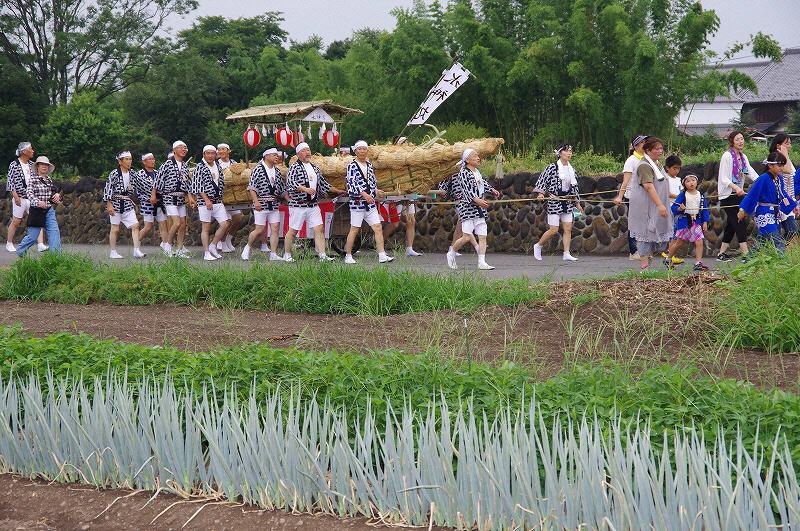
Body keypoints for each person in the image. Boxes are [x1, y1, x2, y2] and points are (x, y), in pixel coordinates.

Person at [284, 142, 345, 262]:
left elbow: (323, 184)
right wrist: (305, 189)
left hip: (313, 205)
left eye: (308, 150)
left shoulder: (315, 168)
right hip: (298, 205)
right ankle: (287, 255)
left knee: (319, 228)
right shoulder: (294, 167)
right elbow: (291, 183)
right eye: (304, 150)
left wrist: (337, 190)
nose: (307, 152)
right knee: (293, 231)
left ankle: (322, 255)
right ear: (298, 154)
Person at [446, 148, 500, 270]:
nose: (478, 158)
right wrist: (478, 201)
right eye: (475, 156)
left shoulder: (477, 171)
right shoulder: (463, 173)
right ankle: (451, 253)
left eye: (478, 156)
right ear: (467, 160)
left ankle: (482, 262)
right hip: (468, 209)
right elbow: (467, 191)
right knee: (465, 237)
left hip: (479, 209)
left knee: (482, 235)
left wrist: (492, 190)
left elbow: (483, 184)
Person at [343, 141, 394, 264]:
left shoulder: (369, 165)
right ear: (355, 151)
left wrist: (376, 190)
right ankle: (348, 255)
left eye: (364, 149)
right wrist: (364, 194)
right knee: (354, 229)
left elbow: (372, 181)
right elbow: (352, 183)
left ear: (367, 151)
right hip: (358, 203)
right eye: (360, 149)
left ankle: (382, 254)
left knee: (377, 227)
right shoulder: (352, 165)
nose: (362, 151)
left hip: (370, 203)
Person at [532, 144, 584, 262]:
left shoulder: (572, 169)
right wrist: (540, 193)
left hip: (568, 201)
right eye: (566, 151)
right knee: (554, 229)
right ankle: (538, 245)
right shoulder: (552, 167)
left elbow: (575, 188)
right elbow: (542, 180)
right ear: (560, 153)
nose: (569, 153)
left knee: (568, 228)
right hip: (554, 200)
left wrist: (577, 203)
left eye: (570, 151)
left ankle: (566, 253)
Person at [628, 136, 673, 270]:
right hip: (646, 207)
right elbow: (648, 186)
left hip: (655, 206)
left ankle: (649, 265)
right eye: (656, 149)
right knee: (644, 235)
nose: (660, 151)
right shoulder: (644, 165)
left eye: (661, 148)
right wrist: (660, 205)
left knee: (653, 235)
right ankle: (644, 267)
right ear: (647, 150)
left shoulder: (656, 164)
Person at [738, 151, 797, 252]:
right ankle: (781, 265)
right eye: (779, 165)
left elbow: (783, 195)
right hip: (764, 213)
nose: (781, 168)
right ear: (770, 165)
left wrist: (793, 206)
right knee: (778, 242)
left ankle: (749, 260)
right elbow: (753, 194)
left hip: (775, 213)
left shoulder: (779, 178)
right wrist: (742, 210)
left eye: (783, 165)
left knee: (761, 243)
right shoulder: (763, 178)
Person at [717, 130, 758, 262]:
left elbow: (751, 173)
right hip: (727, 195)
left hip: (738, 194)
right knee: (739, 222)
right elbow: (723, 178)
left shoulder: (743, 157)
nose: (741, 141)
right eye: (737, 139)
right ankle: (746, 254)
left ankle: (721, 254)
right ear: (732, 142)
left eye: (742, 139)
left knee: (731, 224)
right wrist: (736, 188)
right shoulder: (727, 156)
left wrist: (761, 182)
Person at [241, 148, 286, 261]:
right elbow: (252, 187)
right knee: (259, 229)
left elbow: (281, 189)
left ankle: (274, 254)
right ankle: (247, 247)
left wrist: (288, 198)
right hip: (261, 203)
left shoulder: (277, 171)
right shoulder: (258, 169)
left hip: (274, 204)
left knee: (275, 228)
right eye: (274, 155)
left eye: (277, 155)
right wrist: (256, 201)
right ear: (266, 156)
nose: (277, 157)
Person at [16, 156, 61, 256]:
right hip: (36, 212)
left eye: (46, 165)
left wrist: (57, 195)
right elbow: (29, 193)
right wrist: (38, 202)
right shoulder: (33, 179)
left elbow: (52, 193)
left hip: (49, 211)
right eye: (42, 164)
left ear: (48, 168)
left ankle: (56, 258)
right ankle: (20, 251)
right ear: (37, 167)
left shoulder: (49, 180)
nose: (44, 167)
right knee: (32, 237)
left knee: (54, 233)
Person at [103, 151, 145, 259]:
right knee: (115, 229)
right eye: (126, 159)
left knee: (135, 226)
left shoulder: (133, 174)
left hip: (127, 203)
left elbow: (142, 185)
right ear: (120, 161)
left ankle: (136, 250)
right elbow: (108, 188)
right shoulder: (114, 173)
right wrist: (109, 204)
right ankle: (113, 252)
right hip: (115, 203)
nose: (129, 161)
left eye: (130, 159)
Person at [6, 142, 46, 253]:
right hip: (20, 197)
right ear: (24, 151)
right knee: (16, 221)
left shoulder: (32, 164)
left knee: (38, 219)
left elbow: (38, 179)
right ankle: (9, 243)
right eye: (31, 149)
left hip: (32, 197)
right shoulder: (14, 164)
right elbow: (11, 181)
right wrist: (15, 196)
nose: (33, 151)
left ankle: (41, 244)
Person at [192, 145, 230, 261]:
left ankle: (213, 245)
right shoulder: (199, 167)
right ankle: (206, 253)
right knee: (206, 228)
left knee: (225, 224)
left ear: (215, 154)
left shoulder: (217, 165)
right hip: (205, 202)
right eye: (207, 153)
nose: (210, 155)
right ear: (204, 154)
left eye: (212, 153)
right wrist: (206, 200)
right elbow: (197, 185)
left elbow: (221, 181)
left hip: (218, 200)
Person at [154, 140, 192, 257]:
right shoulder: (167, 164)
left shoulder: (185, 165)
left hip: (180, 197)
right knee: (176, 223)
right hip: (169, 196)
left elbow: (188, 184)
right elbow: (158, 180)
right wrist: (153, 194)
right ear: (174, 150)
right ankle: (168, 245)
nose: (184, 149)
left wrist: (190, 196)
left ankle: (180, 250)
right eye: (181, 147)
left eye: (185, 147)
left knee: (182, 225)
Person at [665, 174, 710, 271]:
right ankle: (668, 259)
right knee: (679, 242)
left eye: (693, 180)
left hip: (696, 222)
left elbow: (704, 209)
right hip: (685, 221)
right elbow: (674, 208)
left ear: (697, 182)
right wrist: (679, 208)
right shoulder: (682, 195)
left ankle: (698, 263)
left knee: (699, 241)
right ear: (684, 184)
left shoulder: (701, 195)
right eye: (688, 181)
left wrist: (705, 222)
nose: (691, 183)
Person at [614, 134, 647, 260]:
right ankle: (633, 252)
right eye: (643, 143)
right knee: (635, 224)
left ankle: (642, 250)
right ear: (636, 146)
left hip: (645, 196)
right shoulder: (631, 160)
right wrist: (620, 196)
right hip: (633, 197)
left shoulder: (646, 159)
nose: (645, 144)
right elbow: (626, 181)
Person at [436, 173, 478, 257]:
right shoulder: (452, 171)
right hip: (460, 200)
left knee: (462, 226)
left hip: (467, 199)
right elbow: (443, 183)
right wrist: (442, 189)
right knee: (462, 225)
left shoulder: (466, 171)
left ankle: (453, 248)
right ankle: (454, 249)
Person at [133, 153, 169, 251]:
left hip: (160, 202)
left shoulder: (157, 173)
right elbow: (138, 191)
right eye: (150, 159)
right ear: (144, 162)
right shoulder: (139, 174)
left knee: (163, 225)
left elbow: (163, 187)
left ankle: (167, 248)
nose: (153, 161)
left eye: (153, 159)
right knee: (148, 227)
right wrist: (148, 198)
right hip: (147, 203)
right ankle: (136, 246)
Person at [769, 133, 797, 241]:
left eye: (790, 143)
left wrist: (793, 201)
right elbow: (788, 170)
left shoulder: (786, 159)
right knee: (786, 230)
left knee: (791, 230)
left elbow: (790, 179)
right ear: (778, 146)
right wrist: (784, 154)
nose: (789, 146)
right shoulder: (775, 159)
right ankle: (778, 252)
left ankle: (779, 252)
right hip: (780, 201)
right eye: (786, 143)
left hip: (788, 200)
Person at [215, 142, 241, 253]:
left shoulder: (234, 163)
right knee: (226, 221)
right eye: (219, 149)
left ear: (228, 151)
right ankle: (222, 242)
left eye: (223, 149)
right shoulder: (216, 164)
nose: (221, 151)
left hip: (233, 196)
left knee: (238, 218)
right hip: (222, 196)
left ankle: (228, 239)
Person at [660, 154, 685, 266]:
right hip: (670, 208)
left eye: (678, 168)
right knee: (673, 233)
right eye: (674, 168)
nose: (676, 171)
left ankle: (671, 254)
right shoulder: (665, 179)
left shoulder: (679, 180)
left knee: (675, 233)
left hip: (678, 209)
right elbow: (667, 194)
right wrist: (680, 197)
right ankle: (670, 255)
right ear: (667, 168)